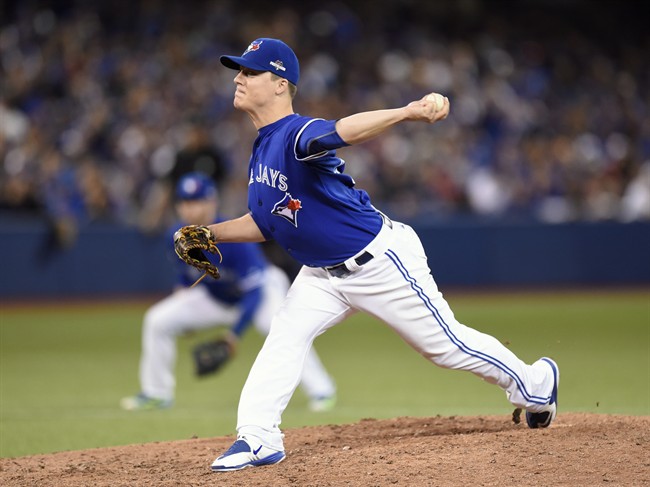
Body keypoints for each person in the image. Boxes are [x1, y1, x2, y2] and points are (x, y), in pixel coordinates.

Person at [181, 38, 559, 472]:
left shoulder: (296, 133)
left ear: (281, 83)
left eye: (250, 72)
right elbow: (266, 222)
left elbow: (343, 130)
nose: (238, 78)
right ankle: (258, 437)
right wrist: (210, 233)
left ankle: (536, 384)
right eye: (239, 70)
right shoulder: (262, 146)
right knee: (285, 334)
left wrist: (405, 112)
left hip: (379, 262)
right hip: (322, 275)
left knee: (446, 347)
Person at [121, 171, 337, 412]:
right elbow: (186, 276)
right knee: (158, 320)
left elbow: (254, 292)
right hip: (217, 297)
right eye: (185, 203)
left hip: (262, 293)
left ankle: (321, 390)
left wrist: (233, 335)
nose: (190, 209)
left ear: (212, 201)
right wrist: (184, 304)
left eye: (196, 202)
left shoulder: (231, 238)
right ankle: (156, 393)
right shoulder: (177, 237)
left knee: (281, 329)